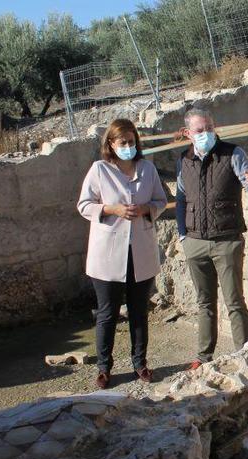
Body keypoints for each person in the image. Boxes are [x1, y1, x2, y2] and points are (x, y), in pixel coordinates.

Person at [77, 118, 167, 389]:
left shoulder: (148, 169)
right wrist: (111, 209)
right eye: (122, 142)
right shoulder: (100, 170)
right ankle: (104, 368)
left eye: (131, 142)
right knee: (108, 313)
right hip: (108, 253)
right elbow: (84, 204)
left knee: (139, 311)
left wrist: (144, 209)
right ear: (111, 144)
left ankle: (140, 363)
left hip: (139, 251)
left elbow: (160, 201)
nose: (128, 146)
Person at [175, 108, 248, 369]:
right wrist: (182, 236)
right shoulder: (184, 160)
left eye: (210, 128)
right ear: (188, 133)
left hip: (226, 240)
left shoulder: (233, 153)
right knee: (205, 303)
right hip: (195, 241)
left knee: (234, 301)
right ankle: (203, 356)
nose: (206, 134)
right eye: (200, 130)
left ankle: (246, 354)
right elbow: (181, 199)